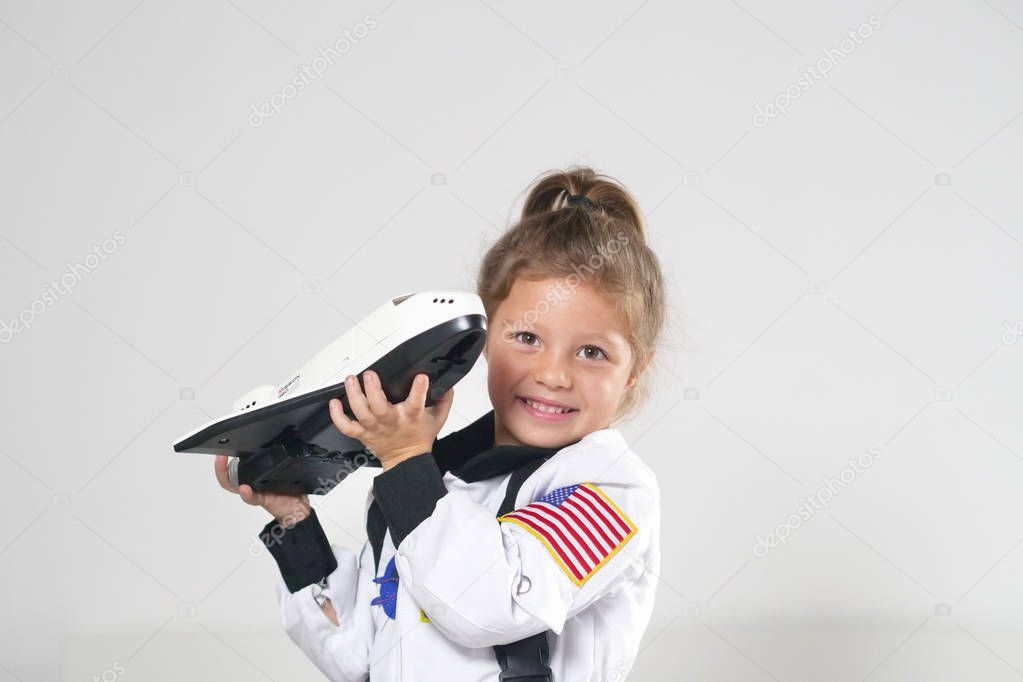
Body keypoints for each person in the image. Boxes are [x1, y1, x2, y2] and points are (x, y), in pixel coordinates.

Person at [215, 165, 668, 681]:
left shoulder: (608, 492)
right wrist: (294, 520)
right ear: (485, 337)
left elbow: (489, 601)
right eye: (526, 338)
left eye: (591, 351)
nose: (553, 374)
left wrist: (407, 462)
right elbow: (357, 656)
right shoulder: (429, 484)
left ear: (635, 370)